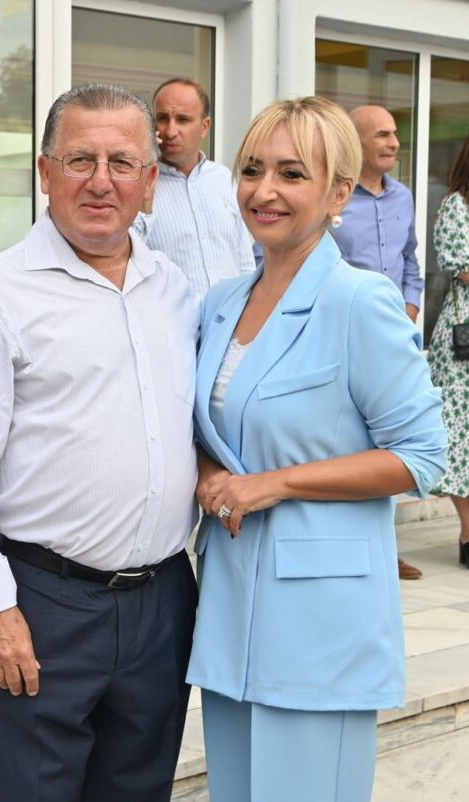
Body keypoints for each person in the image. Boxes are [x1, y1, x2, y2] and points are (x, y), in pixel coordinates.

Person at [0, 83, 200, 802]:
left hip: (164, 602)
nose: (101, 181)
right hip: (46, 605)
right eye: (80, 160)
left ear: (150, 181)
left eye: (121, 162)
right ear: (46, 173)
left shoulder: (176, 292)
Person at [190, 96, 446, 802]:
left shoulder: (360, 300)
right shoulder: (220, 302)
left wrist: (274, 484)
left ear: (338, 194)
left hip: (320, 617)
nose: (264, 190)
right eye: (251, 169)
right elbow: (215, 433)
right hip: (229, 602)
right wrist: (210, 472)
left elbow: (423, 455)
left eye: (291, 173)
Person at [331, 104, 427, 580]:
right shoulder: (333, 199)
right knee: (349, 442)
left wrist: (408, 311)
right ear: (356, 141)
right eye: (383, 135)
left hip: (394, 337)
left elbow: (411, 262)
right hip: (343, 338)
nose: (394, 143)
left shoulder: (403, 197)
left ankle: (386, 548)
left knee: (390, 443)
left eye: (395, 134)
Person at [134, 78, 255, 296]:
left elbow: (244, 259)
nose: (170, 131)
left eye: (183, 119)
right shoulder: (140, 184)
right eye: (163, 118)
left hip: (229, 314)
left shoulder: (224, 179)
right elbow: (128, 259)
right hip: (170, 315)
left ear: (204, 127)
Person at [426, 133, 469, 568]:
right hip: (463, 339)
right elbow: (460, 267)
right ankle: (468, 532)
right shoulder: (456, 204)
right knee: (460, 434)